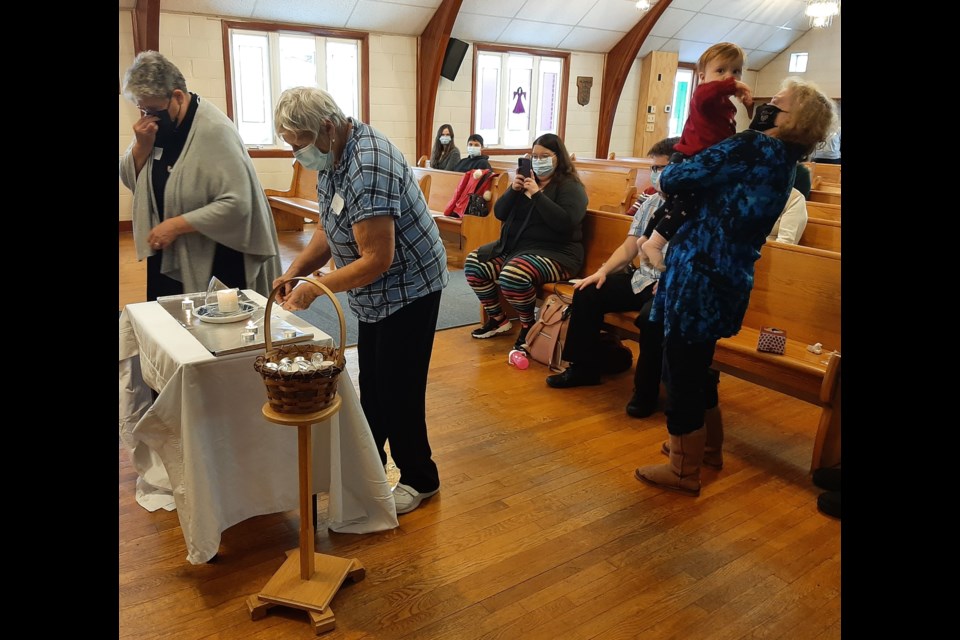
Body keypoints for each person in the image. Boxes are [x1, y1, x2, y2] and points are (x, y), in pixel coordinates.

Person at [634, 77, 837, 497]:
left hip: (699, 272)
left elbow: (674, 178)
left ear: (792, 119)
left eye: (776, 103)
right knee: (699, 364)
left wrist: (677, 164)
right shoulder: (787, 161)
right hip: (731, 273)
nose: (766, 107)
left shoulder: (752, 146)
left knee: (682, 370)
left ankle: (682, 468)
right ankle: (706, 447)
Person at [271, 87, 447, 515]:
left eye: (300, 145)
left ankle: (420, 478)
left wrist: (318, 286)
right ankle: (370, 467)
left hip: (410, 287)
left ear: (327, 128)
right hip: (376, 292)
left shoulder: (368, 162)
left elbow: (377, 258)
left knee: (400, 388)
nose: (297, 156)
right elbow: (329, 229)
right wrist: (296, 270)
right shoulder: (334, 154)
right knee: (373, 382)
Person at [119, 51, 282, 300]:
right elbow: (132, 179)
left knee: (215, 326)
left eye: (152, 108)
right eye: (142, 109)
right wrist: (142, 146)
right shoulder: (154, 126)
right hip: (170, 249)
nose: (146, 116)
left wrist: (175, 225)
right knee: (170, 323)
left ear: (177, 96)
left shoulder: (214, 130)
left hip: (218, 253)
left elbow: (238, 204)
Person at [544, 138, 678, 417]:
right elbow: (630, 246)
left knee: (651, 319)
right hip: (643, 278)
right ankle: (583, 368)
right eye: (653, 167)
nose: (656, 174)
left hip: (671, 285)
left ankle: (646, 392)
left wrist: (669, 283)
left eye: (662, 168)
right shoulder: (651, 202)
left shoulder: (692, 208)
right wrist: (602, 272)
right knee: (588, 291)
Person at [637, 43, 754, 271]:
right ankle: (655, 243)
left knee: (673, 204)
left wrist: (748, 106)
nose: (728, 77)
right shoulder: (703, 96)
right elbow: (708, 93)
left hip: (699, 162)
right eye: (720, 71)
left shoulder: (725, 105)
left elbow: (726, 136)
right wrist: (734, 85)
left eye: (735, 71)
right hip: (689, 159)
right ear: (702, 76)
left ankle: (646, 238)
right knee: (686, 204)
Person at [466, 133, 587, 351]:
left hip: (558, 254)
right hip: (520, 249)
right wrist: (514, 190)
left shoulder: (570, 187)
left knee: (513, 275)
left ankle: (528, 325)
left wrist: (537, 195)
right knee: (475, 263)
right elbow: (500, 213)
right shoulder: (526, 182)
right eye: (535, 156)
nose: (539, 160)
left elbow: (565, 223)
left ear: (558, 157)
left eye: (545, 156)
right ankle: (499, 320)